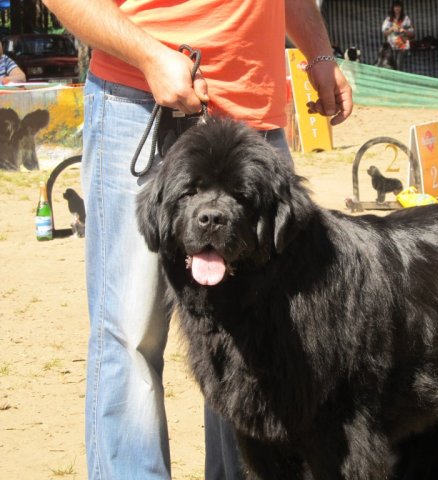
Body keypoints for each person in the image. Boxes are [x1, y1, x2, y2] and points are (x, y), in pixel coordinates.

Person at [40, 1, 353, 479]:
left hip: (257, 116)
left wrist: (320, 56)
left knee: (259, 339)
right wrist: (149, 55)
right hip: (141, 98)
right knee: (132, 331)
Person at [381, 0, 415, 71]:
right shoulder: (389, 19)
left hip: (402, 46)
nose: (397, 8)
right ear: (393, 8)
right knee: (390, 66)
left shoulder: (406, 19)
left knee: (399, 66)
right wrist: (392, 29)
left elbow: (412, 33)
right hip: (391, 46)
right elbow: (384, 32)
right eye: (395, 6)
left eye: (399, 6)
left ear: (402, 8)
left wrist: (404, 30)